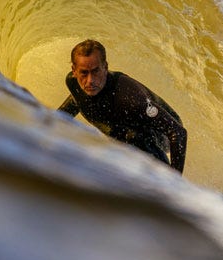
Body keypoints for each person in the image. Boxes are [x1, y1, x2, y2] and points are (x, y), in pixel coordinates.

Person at [57, 39, 187, 174]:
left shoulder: (128, 97)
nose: (90, 80)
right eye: (84, 72)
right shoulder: (73, 83)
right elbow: (77, 103)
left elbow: (177, 132)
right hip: (120, 128)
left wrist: (174, 179)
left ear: (105, 67)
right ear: (74, 71)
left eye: (96, 71)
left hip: (157, 132)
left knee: (132, 139)